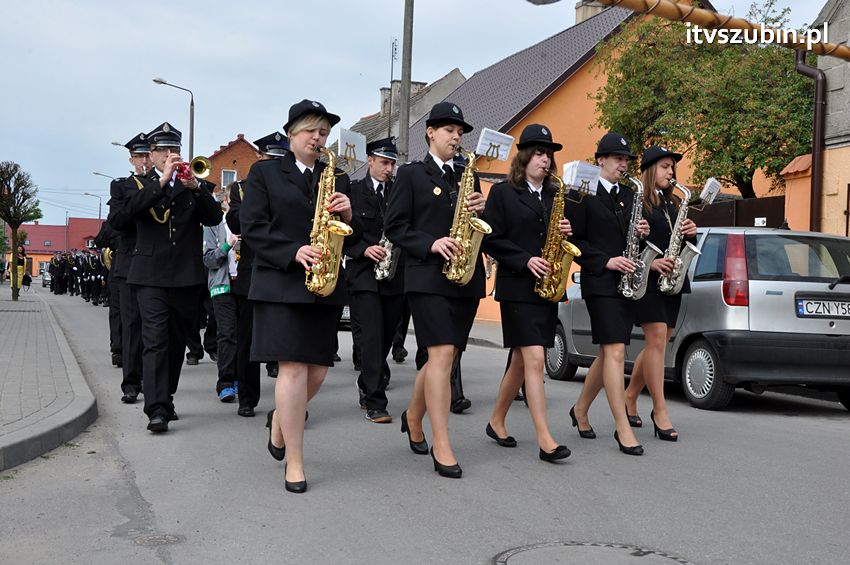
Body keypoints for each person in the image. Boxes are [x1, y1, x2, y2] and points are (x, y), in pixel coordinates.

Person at [241, 100, 355, 493]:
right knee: (292, 370)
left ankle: (279, 423)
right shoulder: (265, 173)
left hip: (324, 284)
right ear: (291, 134)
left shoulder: (336, 177)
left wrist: (349, 213)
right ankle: (296, 461)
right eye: (310, 131)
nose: (317, 138)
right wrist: (293, 251)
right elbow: (252, 226)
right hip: (281, 283)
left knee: (319, 371)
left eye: (323, 133)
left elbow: (352, 231)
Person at [384, 101, 486, 478]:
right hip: (426, 276)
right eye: (449, 130)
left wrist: (480, 208)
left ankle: (412, 415)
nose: (456, 137)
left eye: (460, 132)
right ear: (430, 132)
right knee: (441, 354)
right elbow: (395, 226)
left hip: (464, 277)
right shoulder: (411, 175)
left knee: (444, 357)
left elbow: (478, 226)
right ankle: (441, 443)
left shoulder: (467, 176)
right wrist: (431, 243)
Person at [123, 122, 221, 432]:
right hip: (149, 276)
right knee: (155, 341)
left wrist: (195, 187)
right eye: (164, 150)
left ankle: (167, 395)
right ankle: (157, 408)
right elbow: (122, 217)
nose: (170, 155)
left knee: (177, 342)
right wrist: (161, 182)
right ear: (150, 156)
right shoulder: (133, 186)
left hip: (185, 276)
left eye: (174, 150)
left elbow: (214, 217)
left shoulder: (191, 183)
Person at [482, 124, 572, 462]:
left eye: (548, 154)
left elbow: (559, 238)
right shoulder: (504, 193)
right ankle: (545, 439)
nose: (545, 159)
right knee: (535, 359)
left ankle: (496, 420)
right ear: (523, 157)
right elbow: (491, 238)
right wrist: (524, 260)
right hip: (518, 286)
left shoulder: (554, 194)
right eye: (538, 153)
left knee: (521, 361)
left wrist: (565, 231)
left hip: (546, 288)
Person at [566, 132, 650, 456]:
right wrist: (605, 261)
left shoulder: (631, 197)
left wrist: (644, 233)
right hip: (600, 281)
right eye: (617, 158)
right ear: (600, 160)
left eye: (626, 159)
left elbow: (634, 241)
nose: (623, 164)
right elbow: (576, 244)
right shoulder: (582, 194)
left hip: (626, 283)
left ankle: (581, 409)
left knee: (607, 354)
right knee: (615, 351)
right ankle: (622, 426)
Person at [624, 146, 697, 442]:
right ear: (652, 168)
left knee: (661, 341)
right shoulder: (638, 200)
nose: (671, 173)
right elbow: (626, 240)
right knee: (655, 340)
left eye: (672, 168)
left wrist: (691, 233)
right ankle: (660, 409)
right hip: (647, 279)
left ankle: (630, 395)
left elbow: (676, 241)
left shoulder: (674, 203)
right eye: (666, 167)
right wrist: (652, 261)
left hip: (672, 279)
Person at [224, 131, 289, 417]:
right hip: (253, 270)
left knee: (288, 341)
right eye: (270, 158)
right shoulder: (241, 188)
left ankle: (289, 404)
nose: (275, 163)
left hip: (287, 269)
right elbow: (236, 220)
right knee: (247, 338)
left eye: (280, 158)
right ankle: (247, 398)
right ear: (260, 159)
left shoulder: (293, 185)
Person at [345, 138, 404, 423]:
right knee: (370, 338)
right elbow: (340, 232)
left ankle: (366, 383)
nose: (389, 169)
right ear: (370, 160)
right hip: (363, 275)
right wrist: (362, 249)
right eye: (384, 163)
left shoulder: (400, 192)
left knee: (386, 339)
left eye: (392, 163)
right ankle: (375, 401)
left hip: (393, 276)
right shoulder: (354, 191)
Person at [106, 133, 153, 403]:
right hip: (128, 264)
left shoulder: (165, 181)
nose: (144, 161)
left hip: (155, 263)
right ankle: (131, 382)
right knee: (132, 325)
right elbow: (117, 221)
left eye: (148, 155)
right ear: (131, 159)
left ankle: (152, 378)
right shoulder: (121, 187)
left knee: (155, 327)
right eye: (139, 156)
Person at [203, 188, 240, 404]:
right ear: (225, 201)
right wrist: (227, 246)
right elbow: (208, 260)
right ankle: (225, 382)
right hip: (222, 286)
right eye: (232, 200)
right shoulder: (213, 224)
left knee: (244, 334)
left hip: (245, 285)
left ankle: (240, 378)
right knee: (227, 333)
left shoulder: (248, 221)